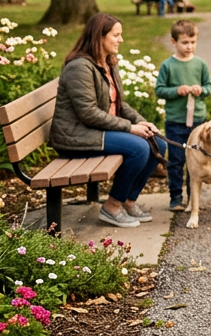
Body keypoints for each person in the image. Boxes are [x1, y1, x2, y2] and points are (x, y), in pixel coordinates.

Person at [51, 14, 162, 229]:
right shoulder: (79, 67)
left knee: (158, 141)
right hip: (75, 136)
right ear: (99, 37)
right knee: (139, 147)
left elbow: (119, 103)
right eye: (116, 35)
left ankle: (128, 202)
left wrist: (143, 122)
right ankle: (112, 207)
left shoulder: (107, 62)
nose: (121, 40)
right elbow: (88, 113)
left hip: (95, 131)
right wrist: (130, 128)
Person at [153, 19, 211, 212]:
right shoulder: (168, 66)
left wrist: (201, 90)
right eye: (185, 42)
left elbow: (209, 87)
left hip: (198, 121)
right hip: (176, 122)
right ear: (174, 42)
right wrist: (176, 91)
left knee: (195, 160)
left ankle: (192, 199)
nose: (189, 46)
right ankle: (176, 197)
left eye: (193, 42)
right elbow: (160, 90)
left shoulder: (200, 64)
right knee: (177, 160)